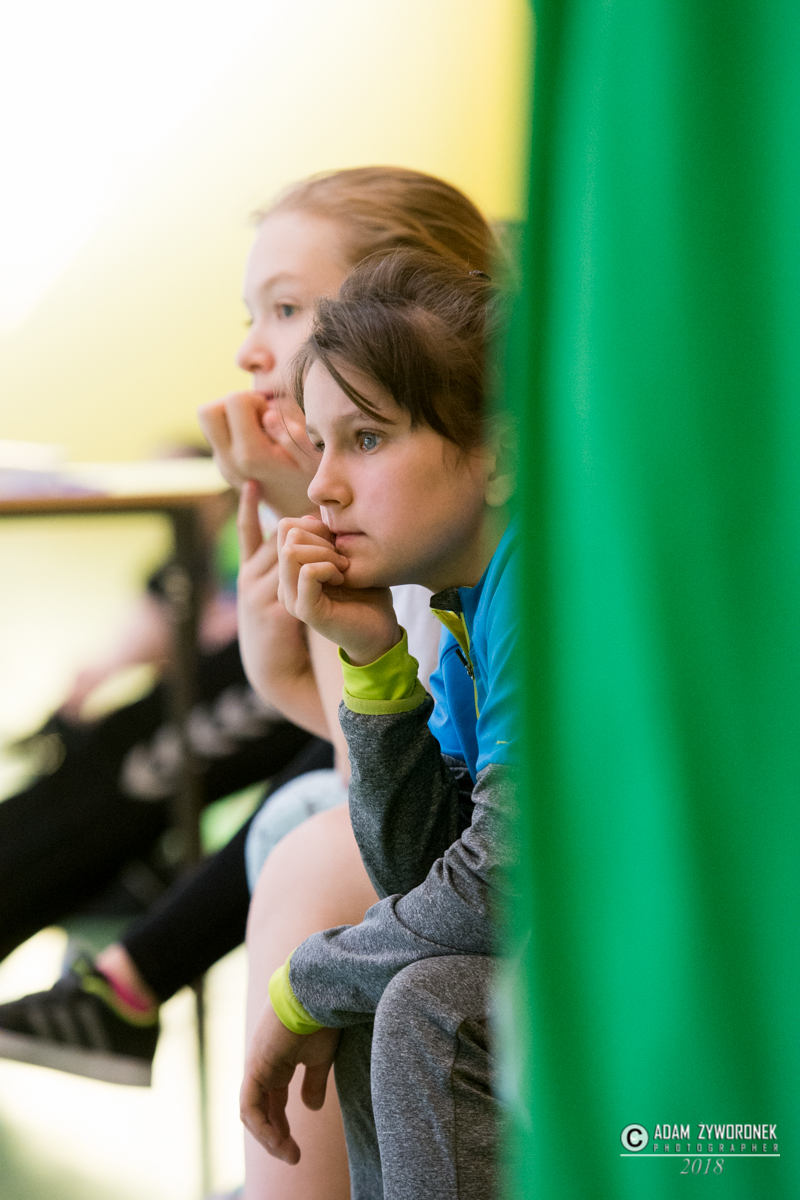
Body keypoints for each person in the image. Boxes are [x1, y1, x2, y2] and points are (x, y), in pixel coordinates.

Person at [239, 249, 517, 1200]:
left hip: (732, 971)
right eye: (319, 446)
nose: (322, 487)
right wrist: (372, 662)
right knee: (397, 984)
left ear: (501, 455)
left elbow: (498, 888)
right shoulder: (464, 608)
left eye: (364, 439)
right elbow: (420, 870)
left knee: (428, 1005)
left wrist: (306, 982)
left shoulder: (550, 587)